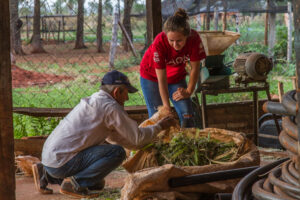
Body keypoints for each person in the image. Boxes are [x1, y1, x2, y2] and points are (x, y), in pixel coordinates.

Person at [32, 70, 175, 198]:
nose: (127, 98)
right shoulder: (110, 107)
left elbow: (116, 138)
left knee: (97, 183)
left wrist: (141, 144)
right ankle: (76, 184)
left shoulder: (97, 100)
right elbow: (137, 138)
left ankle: (45, 173)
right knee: (117, 153)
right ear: (117, 91)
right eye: (125, 92)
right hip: (61, 163)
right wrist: (159, 126)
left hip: (51, 160)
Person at [140, 8, 206, 128]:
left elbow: (195, 68)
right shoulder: (159, 42)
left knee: (187, 115)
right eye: (171, 41)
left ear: (187, 36)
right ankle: (160, 145)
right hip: (152, 76)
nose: (175, 45)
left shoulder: (194, 39)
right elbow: (162, 79)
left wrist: (188, 91)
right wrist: (166, 107)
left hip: (176, 76)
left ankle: (188, 142)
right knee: (158, 117)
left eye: (179, 41)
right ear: (166, 36)